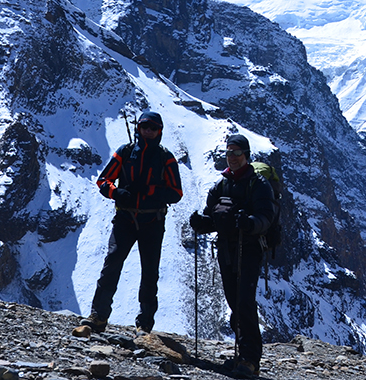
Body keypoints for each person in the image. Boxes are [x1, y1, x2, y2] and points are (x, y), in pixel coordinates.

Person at [82, 111, 183, 334]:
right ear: (138, 128)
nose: (148, 131)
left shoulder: (166, 158)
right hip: (126, 218)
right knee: (112, 265)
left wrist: (148, 191)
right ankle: (98, 316)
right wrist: (116, 193)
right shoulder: (125, 152)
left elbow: (176, 193)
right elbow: (103, 181)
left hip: (151, 221)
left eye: (152, 128)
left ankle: (144, 324)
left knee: (149, 273)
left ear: (159, 131)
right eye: (144, 127)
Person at [189, 133, 275, 378]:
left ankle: (250, 359)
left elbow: (266, 217)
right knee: (233, 301)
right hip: (227, 250)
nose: (233, 158)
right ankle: (242, 354)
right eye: (229, 153)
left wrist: (249, 223)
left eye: (237, 153)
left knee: (245, 301)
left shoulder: (259, 184)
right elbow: (213, 218)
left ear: (246, 155)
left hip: (249, 249)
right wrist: (201, 223)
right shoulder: (221, 185)